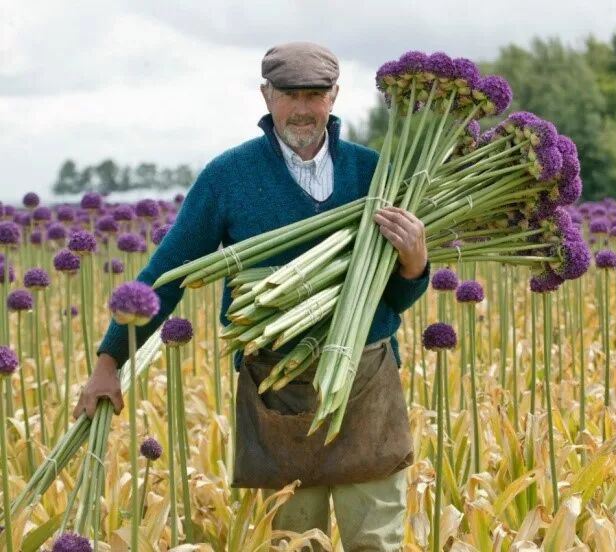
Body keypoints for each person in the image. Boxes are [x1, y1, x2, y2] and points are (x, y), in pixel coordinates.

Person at [73, 41, 430, 550]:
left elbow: (393, 297)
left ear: (335, 95)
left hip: (366, 383)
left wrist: (415, 264)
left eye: (314, 93)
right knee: (288, 542)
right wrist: (110, 359)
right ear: (266, 95)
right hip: (275, 388)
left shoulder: (376, 174)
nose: (302, 108)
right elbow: (169, 272)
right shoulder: (228, 177)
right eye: (289, 94)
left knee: (377, 542)